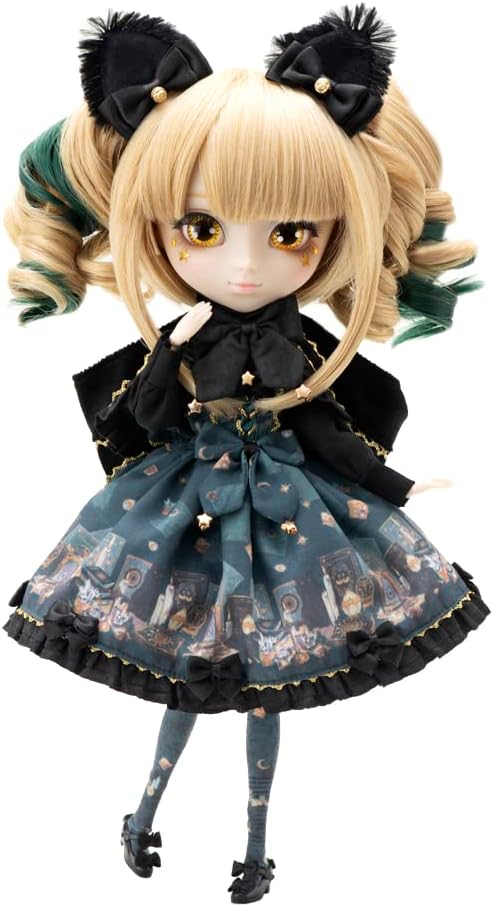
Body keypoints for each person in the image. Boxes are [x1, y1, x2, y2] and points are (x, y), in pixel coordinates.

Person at [3, 7, 489, 903]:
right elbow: (146, 415)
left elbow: (326, 431)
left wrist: (395, 483)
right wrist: (170, 350)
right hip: (183, 517)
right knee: (184, 687)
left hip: (289, 525)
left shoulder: (299, 349)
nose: (242, 267)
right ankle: (143, 814)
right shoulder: (183, 338)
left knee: (269, 691)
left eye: (290, 232)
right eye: (200, 228)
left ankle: (256, 847)